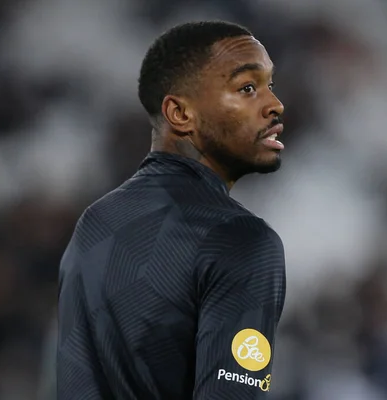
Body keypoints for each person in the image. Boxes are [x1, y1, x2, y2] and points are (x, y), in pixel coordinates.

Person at [57, 20, 286, 399]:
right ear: (181, 114)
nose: (275, 105)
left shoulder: (96, 220)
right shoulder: (239, 240)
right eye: (247, 88)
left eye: (269, 86)